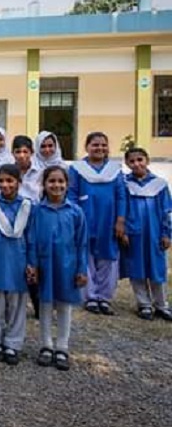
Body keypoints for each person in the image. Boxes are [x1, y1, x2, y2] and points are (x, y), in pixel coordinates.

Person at [29, 166, 88, 371]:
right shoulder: (37, 211)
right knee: (45, 305)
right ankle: (46, 344)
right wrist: (32, 264)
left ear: (67, 184)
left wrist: (81, 268)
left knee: (64, 305)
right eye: (51, 181)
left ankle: (62, 346)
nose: (56, 185)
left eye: (60, 181)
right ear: (44, 184)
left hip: (67, 265)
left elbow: (82, 243)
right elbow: (32, 239)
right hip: (45, 264)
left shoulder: (76, 211)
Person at [68, 132, 127, 316]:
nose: (99, 148)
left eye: (103, 145)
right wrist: (74, 218)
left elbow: (121, 195)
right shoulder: (77, 169)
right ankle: (90, 297)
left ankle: (105, 297)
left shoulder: (114, 169)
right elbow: (71, 193)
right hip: (86, 217)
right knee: (87, 256)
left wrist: (120, 220)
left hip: (109, 219)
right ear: (87, 147)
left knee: (108, 258)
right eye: (95, 145)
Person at [0, 164, 33, 366]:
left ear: (19, 183)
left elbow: (31, 237)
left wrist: (32, 263)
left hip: (18, 259)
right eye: (1, 180)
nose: (5, 184)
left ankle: (13, 343)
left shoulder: (27, 206)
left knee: (17, 303)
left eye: (10, 180)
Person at [120, 147, 172, 321]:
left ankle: (161, 305)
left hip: (156, 232)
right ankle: (144, 304)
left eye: (140, 159)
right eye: (132, 161)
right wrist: (124, 230)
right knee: (137, 268)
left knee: (158, 268)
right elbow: (122, 209)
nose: (136, 164)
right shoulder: (125, 185)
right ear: (127, 163)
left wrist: (167, 233)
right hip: (134, 233)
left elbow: (166, 211)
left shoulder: (160, 184)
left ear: (147, 160)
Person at [12, 135, 42, 203]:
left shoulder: (40, 173)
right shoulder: (8, 173)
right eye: (18, 152)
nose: (22, 156)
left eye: (25, 152)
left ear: (32, 153)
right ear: (12, 153)